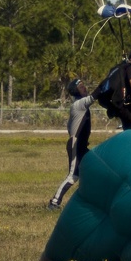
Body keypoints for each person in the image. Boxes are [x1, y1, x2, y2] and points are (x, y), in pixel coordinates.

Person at [48, 78, 94, 209]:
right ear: (75, 91)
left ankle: (89, 199)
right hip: (76, 145)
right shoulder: (80, 104)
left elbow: (70, 126)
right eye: (80, 86)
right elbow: (97, 94)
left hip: (81, 145)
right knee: (73, 175)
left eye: (83, 85)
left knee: (95, 166)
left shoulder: (77, 105)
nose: (84, 88)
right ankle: (54, 202)